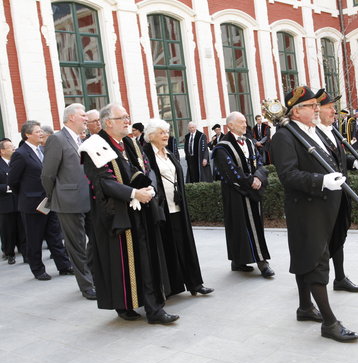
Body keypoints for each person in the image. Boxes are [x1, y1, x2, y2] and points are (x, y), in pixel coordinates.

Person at [271, 86, 358, 342]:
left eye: (315, 105)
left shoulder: (310, 131)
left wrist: (352, 164)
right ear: (296, 111)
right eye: (311, 106)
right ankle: (330, 323)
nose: (316, 109)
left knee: (307, 257)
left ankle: (304, 308)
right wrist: (321, 181)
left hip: (323, 208)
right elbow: (287, 176)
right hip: (306, 209)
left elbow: (332, 160)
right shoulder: (285, 137)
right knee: (316, 262)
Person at [80, 103, 178, 324]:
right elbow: (103, 182)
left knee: (145, 258)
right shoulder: (93, 147)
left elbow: (146, 169)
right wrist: (134, 193)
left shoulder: (130, 143)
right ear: (108, 122)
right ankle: (125, 304)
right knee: (122, 262)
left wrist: (150, 187)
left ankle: (153, 308)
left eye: (127, 116)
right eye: (122, 117)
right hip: (116, 214)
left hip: (140, 211)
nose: (128, 121)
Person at [143, 119, 214, 297]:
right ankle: (171, 287)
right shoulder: (146, 155)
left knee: (185, 245)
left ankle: (195, 283)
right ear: (151, 136)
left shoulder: (168, 153)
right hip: (160, 209)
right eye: (162, 133)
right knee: (166, 247)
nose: (166, 135)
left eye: (167, 132)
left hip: (177, 207)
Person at [41, 103, 96, 300]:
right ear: (71, 117)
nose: (86, 119)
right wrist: (55, 195)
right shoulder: (57, 139)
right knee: (76, 245)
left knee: (94, 240)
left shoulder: (83, 139)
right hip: (68, 201)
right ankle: (87, 286)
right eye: (83, 115)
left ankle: (93, 277)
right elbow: (47, 174)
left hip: (89, 199)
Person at [211, 111, 274, 278]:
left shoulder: (250, 143)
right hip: (236, 193)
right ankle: (255, 262)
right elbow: (230, 171)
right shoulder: (222, 147)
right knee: (239, 226)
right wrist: (250, 181)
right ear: (230, 125)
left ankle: (247, 260)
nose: (245, 125)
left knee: (255, 226)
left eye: (245, 122)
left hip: (253, 190)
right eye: (241, 122)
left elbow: (260, 163)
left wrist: (259, 177)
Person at [8, 121, 73, 281]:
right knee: (34, 238)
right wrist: (26, 196)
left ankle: (64, 266)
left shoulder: (42, 150)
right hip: (31, 205)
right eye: (37, 131)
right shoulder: (21, 154)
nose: (41, 133)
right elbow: (13, 181)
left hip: (49, 201)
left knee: (55, 236)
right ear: (27, 134)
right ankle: (37, 269)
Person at [0, 139, 26, 264]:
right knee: (8, 229)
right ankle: (9, 253)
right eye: (10, 147)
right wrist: (7, 187)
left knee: (22, 227)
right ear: (2, 151)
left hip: (19, 200)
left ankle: (25, 251)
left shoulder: (16, 161)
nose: (13, 148)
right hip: (5, 204)